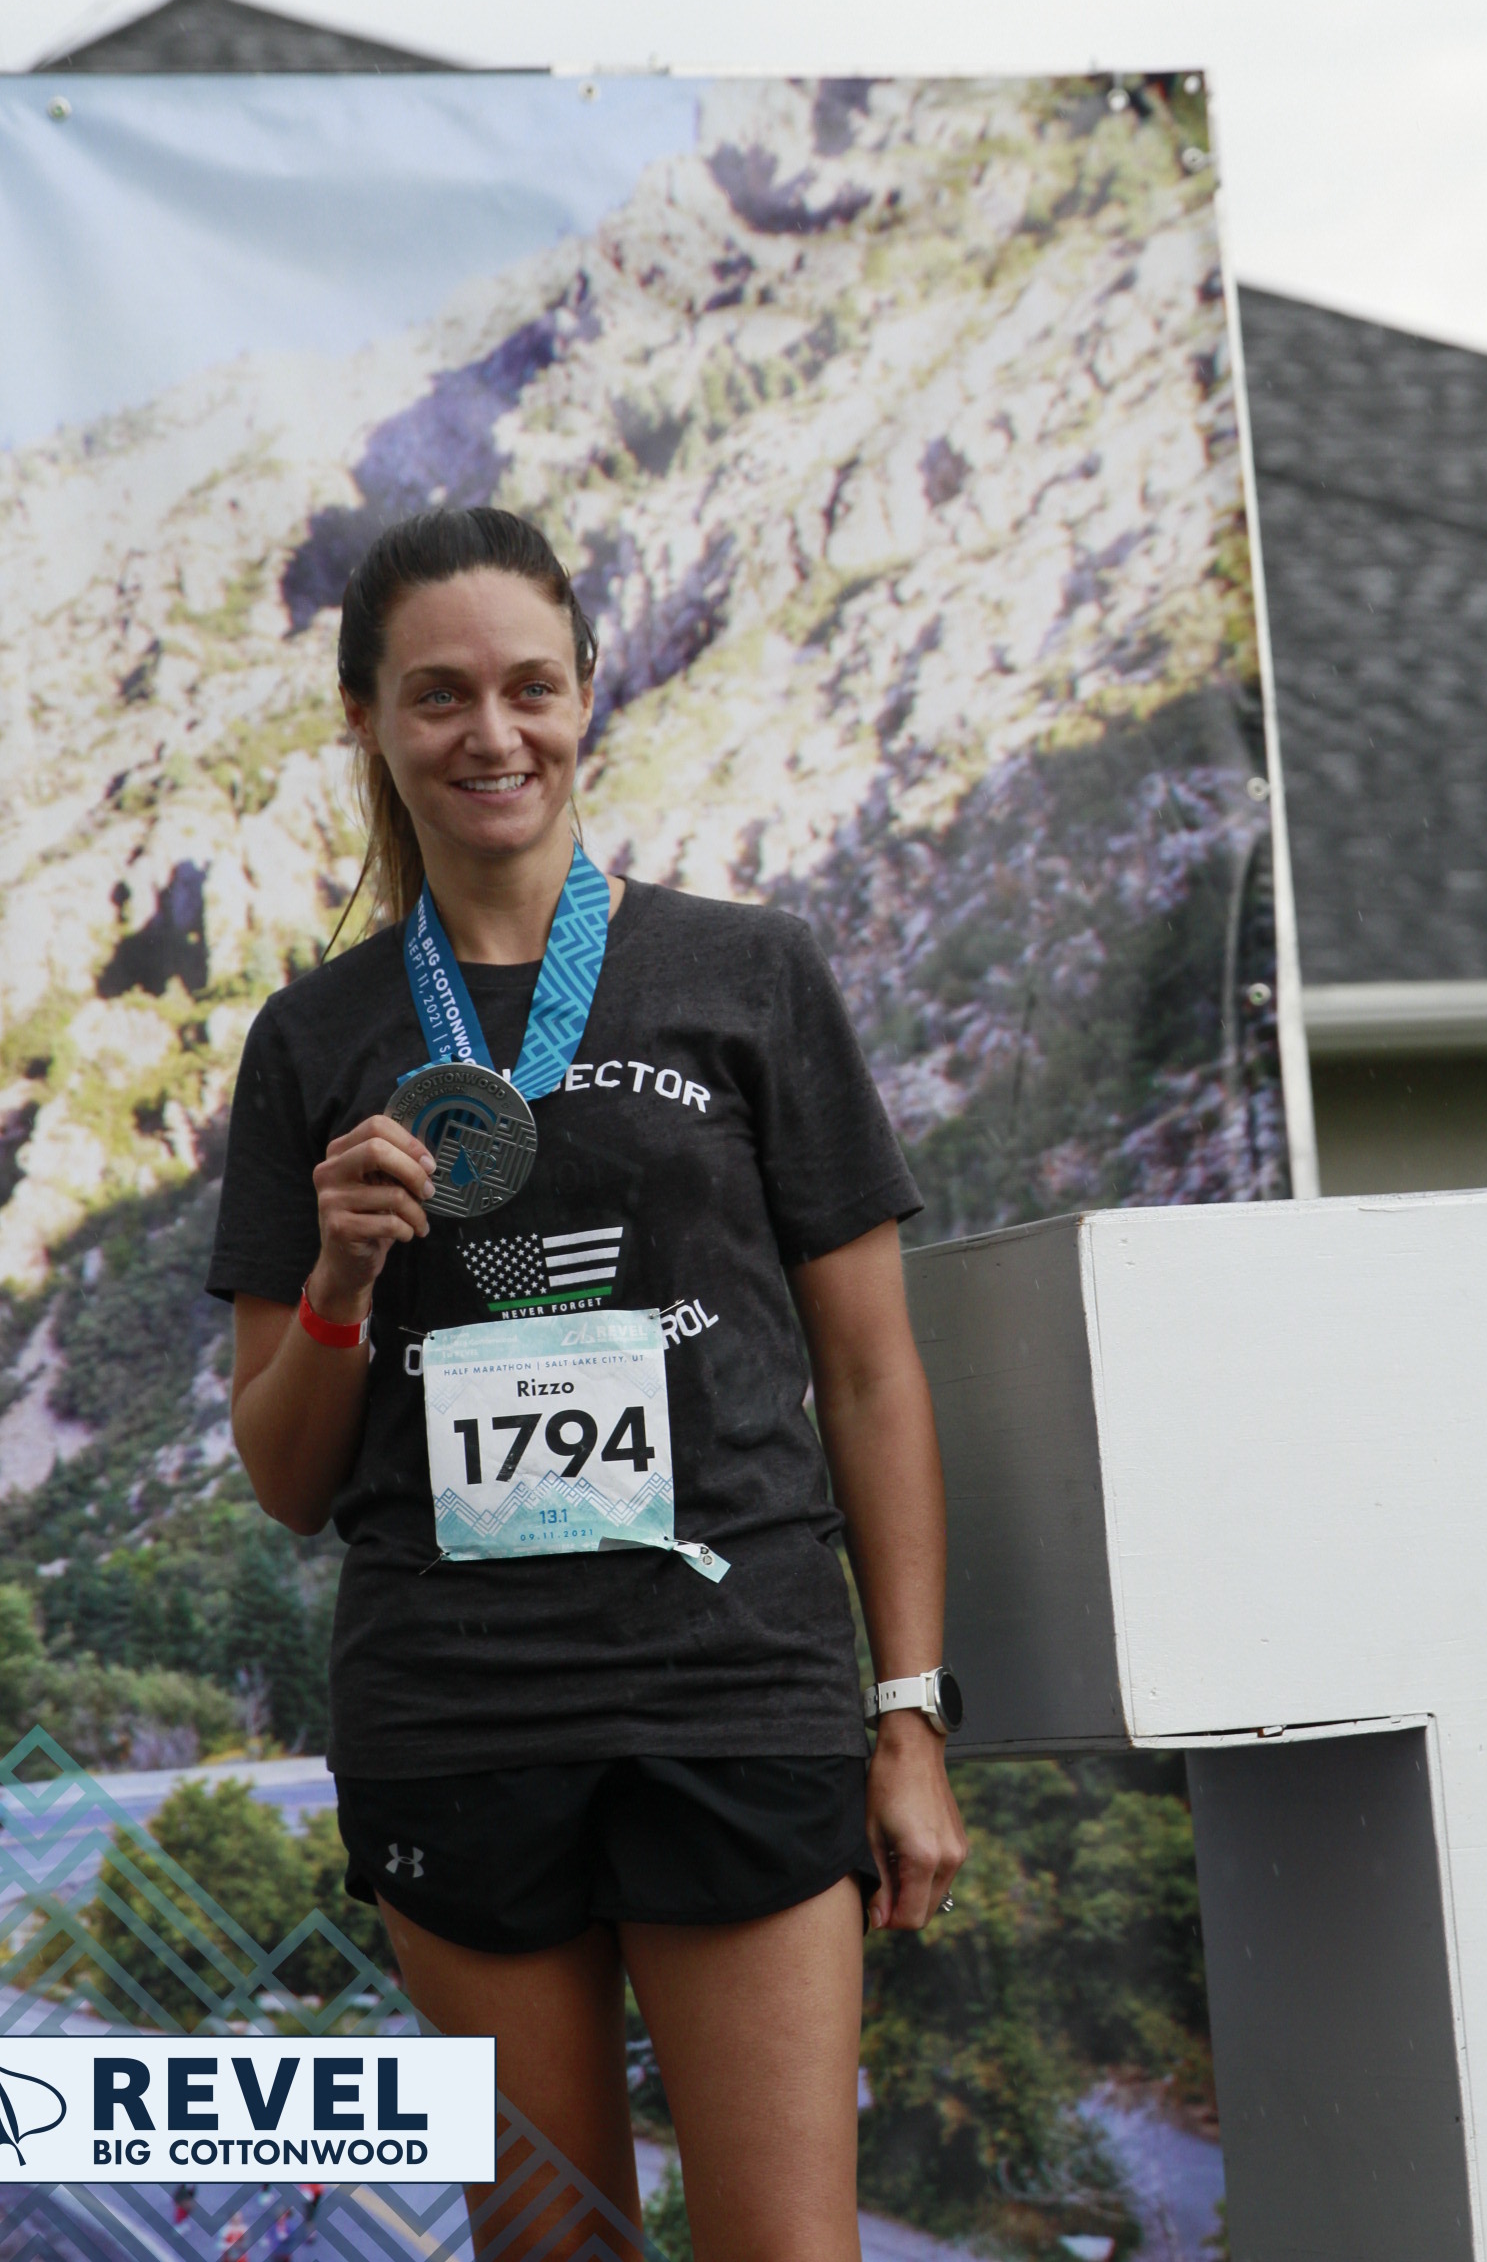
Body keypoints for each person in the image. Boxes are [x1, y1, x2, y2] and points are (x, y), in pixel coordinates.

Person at [208, 506, 967, 2262]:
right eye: (440, 695)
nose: (494, 734)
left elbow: (870, 1375)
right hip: (456, 1719)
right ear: (367, 719)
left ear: (588, 694)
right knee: (554, 2252)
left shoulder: (750, 974)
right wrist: (337, 1285)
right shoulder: (313, 1041)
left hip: (735, 1691)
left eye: (531, 688)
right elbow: (287, 1477)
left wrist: (911, 1715)